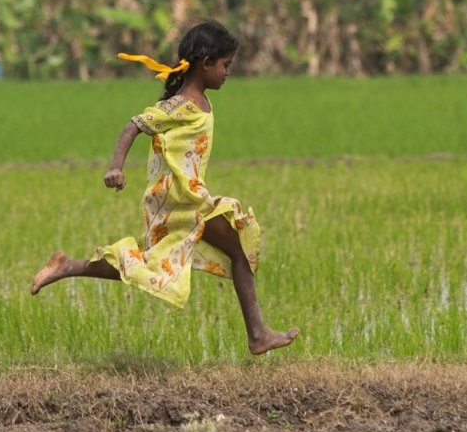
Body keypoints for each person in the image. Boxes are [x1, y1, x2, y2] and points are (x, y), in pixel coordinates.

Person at [30, 19, 299, 355]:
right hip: (181, 202)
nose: (228, 73)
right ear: (205, 63)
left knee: (181, 259)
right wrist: (115, 166)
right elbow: (134, 126)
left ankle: (70, 266)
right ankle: (257, 334)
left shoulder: (197, 100)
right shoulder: (181, 105)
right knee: (208, 255)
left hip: (189, 198)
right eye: (225, 65)